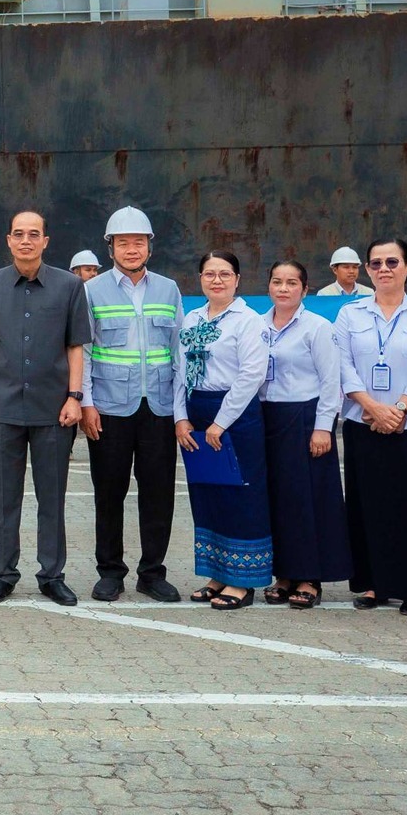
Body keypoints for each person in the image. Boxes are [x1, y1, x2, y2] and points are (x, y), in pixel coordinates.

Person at [0, 211, 90, 607]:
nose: (26, 240)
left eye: (33, 234)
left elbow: (75, 345)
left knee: (51, 498)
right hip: (3, 408)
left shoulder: (69, 286)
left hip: (54, 410)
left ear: (45, 241)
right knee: (5, 498)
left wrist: (74, 397)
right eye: (19, 234)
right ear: (8, 240)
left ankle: (51, 576)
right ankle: (3, 574)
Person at [332, 237, 407, 615]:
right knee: (368, 505)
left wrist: (398, 410)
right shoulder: (350, 315)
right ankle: (373, 585)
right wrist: (370, 406)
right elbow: (341, 364)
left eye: (392, 262)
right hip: (362, 421)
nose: (384, 269)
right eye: (376, 263)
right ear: (367, 270)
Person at [81, 206, 184, 603]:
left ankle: (152, 573)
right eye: (123, 243)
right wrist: (87, 404)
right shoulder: (91, 291)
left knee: (158, 493)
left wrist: (180, 412)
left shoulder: (168, 290)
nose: (131, 249)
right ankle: (110, 572)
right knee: (109, 492)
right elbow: (84, 350)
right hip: (109, 409)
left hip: (158, 408)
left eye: (138, 242)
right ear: (111, 249)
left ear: (149, 247)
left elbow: (178, 353)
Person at [174, 250, 271, 611]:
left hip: (236, 416)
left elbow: (251, 375)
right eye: (210, 274)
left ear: (237, 279)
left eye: (225, 274)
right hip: (196, 414)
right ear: (200, 278)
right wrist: (180, 417)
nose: (217, 280)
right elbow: (179, 371)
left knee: (241, 494)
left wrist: (221, 421)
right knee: (208, 493)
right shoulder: (192, 318)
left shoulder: (248, 321)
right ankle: (217, 573)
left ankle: (242, 581)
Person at [258, 260, 351, 610]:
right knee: (277, 499)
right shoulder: (257, 325)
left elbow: (331, 381)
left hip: (305, 419)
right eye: (277, 281)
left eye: (291, 282)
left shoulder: (317, 327)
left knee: (308, 499)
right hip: (266, 418)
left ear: (305, 289)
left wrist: (323, 427)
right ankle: (283, 574)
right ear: (268, 286)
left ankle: (310, 577)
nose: (283, 288)